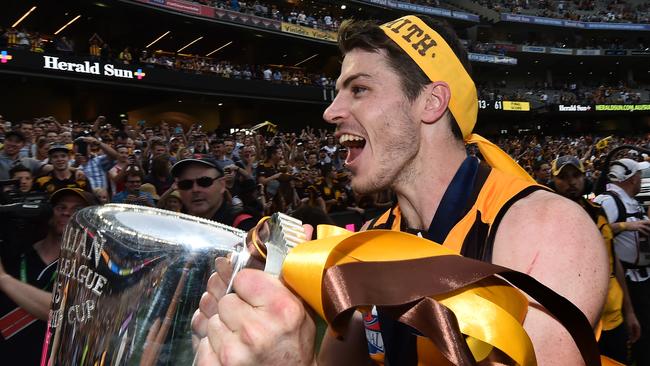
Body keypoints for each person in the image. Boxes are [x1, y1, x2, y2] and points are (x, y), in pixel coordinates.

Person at [193, 15, 608, 365]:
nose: (330, 111)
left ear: (430, 103)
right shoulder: (370, 243)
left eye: (359, 89)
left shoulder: (549, 230)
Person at [552, 155, 640, 362]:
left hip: (613, 318)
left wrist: (629, 311)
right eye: (563, 177)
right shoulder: (549, 219)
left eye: (575, 175)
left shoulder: (598, 212)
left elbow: (613, 261)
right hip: (579, 324)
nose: (571, 182)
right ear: (553, 181)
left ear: (584, 177)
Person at [0, 188, 96, 366]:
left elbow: (60, 311)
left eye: (76, 209)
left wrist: (4, 280)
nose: (67, 212)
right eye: (61, 207)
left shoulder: (88, 268)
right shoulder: (17, 253)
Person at [594, 158, 650, 365]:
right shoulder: (609, 200)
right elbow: (597, 230)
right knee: (638, 333)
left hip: (640, 275)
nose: (640, 180)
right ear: (631, 177)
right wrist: (627, 226)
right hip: (626, 278)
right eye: (638, 176)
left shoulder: (628, 199)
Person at [171, 157, 258, 231]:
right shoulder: (174, 226)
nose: (195, 189)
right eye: (186, 184)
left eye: (204, 182)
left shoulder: (243, 226)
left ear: (222, 185)